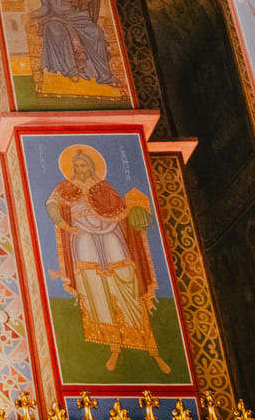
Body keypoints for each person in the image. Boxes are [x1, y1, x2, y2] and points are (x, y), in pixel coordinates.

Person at [47, 145, 170, 372]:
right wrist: (62, 223)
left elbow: (119, 209)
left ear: (92, 166)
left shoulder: (103, 187)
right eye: (76, 166)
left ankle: (151, 349)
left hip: (110, 230)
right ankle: (113, 346)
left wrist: (133, 211)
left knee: (124, 274)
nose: (80, 169)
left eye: (83, 165)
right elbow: (52, 204)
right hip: (82, 233)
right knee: (92, 281)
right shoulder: (64, 188)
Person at [31, 0, 119, 89]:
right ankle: (71, 71)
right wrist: (29, 16)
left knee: (96, 33)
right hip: (55, 17)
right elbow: (46, 7)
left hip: (79, 16)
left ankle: (105, 76)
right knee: (56, 30)